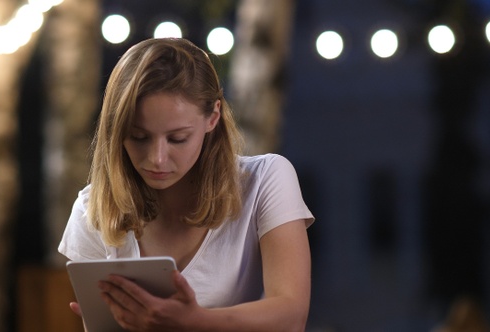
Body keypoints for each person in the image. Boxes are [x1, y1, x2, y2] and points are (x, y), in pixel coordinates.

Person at [58, 37, 314, 331]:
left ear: (212, 117)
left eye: (177, 138)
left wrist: (194, 322)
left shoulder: (265, 180)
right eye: (138, 136)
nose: (156, 158)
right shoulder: (93, 211)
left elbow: (292, 316)